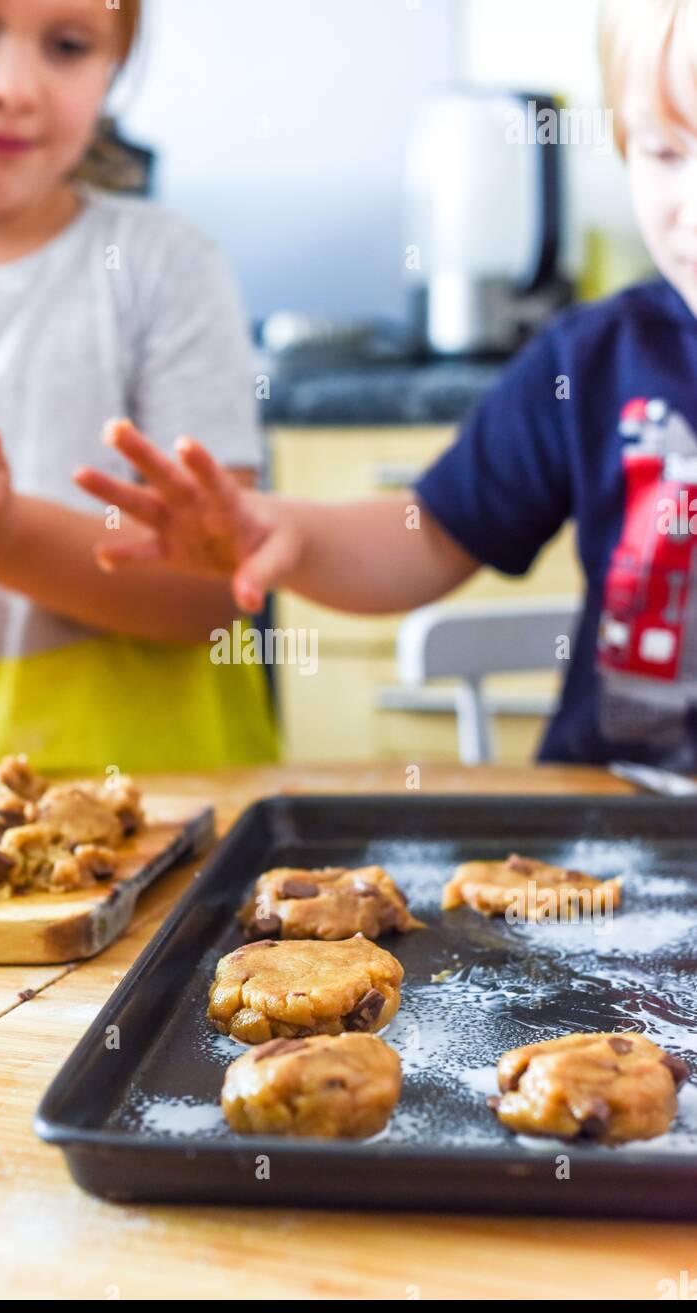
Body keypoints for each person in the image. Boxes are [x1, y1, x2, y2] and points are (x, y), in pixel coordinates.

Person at [77, 0, 697, 771]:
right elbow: (430, 533)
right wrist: (291, 534)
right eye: (666, 153)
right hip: (611, 829)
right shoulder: (595, 358)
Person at [0, 0, 277, 781]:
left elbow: (217, 590)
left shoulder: (166, 267)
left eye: (68, 46)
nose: (13, 87)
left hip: (166, 810)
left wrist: (4, 538)